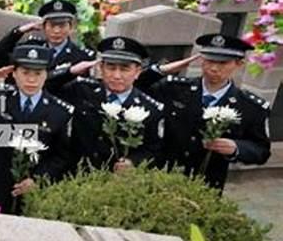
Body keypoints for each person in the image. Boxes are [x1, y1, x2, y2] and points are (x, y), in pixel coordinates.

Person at [135, 34, 270, 191]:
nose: (214, 68)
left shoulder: (250, 106)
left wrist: (236, 148)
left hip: (206, 186)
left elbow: (261, 151)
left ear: (239, 64)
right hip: (162, 177)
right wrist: (159, 70)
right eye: (209, 61)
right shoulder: (175, 89)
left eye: (223, 63)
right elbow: (134, 87)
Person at [0, 44, 73, 213]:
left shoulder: (60, 111)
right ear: (14, 73)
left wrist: (37, 179)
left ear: (46, 75)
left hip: (33, 189)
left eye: (38, 74)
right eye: (25, 73)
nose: (31, 80)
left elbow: (62, 156)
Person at [47, 36, 163, 172]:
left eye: (124, 69)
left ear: (137, 72)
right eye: (111, 68)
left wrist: (133, 162)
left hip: (115, 183)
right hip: (75, 175)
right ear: (101, 68)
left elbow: (154, 149)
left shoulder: (150, 108)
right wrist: (69, 71)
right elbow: (44, 87)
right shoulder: (80, 90)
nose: (117, 75)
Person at [0, 0, 94, 72]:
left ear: (71, 28)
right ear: (43, 27)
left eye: (62, 26)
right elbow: (0, 54)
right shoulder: (33, 47)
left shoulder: (81, 56)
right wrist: (20, 31)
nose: (57, 31)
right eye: (52, 25)